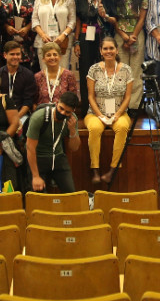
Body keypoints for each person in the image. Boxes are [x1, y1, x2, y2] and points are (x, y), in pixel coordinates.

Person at [85, 37, 136, 185]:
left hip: (119, 113)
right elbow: (90, 96)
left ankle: (113, 169)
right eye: (105, 49)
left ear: (117, 50)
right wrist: (100, 116)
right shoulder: (93, 69)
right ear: (101, 51)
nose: (109, 51)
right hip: (96, 112)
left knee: (122, 127)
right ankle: (95, 169)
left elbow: (127, 97)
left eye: (111, 48)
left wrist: (117, 115)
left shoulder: (126, 69)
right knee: (94, 128)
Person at [25, 91, 83, 193]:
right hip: (38, 157)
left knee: (72, 195)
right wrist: (35, 176)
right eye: (61, 108)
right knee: (39, 198)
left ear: (73, 111)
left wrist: (72, 130)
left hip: (58, 157)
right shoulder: (39, 117)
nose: (62, 113)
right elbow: (30, 148)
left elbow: (74, 148)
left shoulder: (72, 119)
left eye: (67, 112)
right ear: (56, 103)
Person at [76, 0, 117, 94]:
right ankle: (85, 108)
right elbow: (78, 21)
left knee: (104, 71)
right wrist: (76, 42)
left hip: (102, 38)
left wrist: (105, 16)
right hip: (85, 37)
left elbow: (115, 21)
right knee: (86, 72)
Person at [33, 0, 77, 71]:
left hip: (61, 42)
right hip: (44, 41)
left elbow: (72, 20)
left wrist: (63, 35)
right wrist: (42, 35)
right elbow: (34, 19)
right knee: (45, 74)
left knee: (62, 74)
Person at [0, 0, 38, 69]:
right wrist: (6, 27)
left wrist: (28, 27)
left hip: (27, 38)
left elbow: (37, 15)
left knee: (26, 71)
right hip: (8, 38)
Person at [0, 41, 39, 130]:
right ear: (5, 55)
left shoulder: (28, 75)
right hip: (0, 114)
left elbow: (28, 101)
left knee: (24, 129)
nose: (15, 57)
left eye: (18, 54)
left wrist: (16, 117)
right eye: (12, 54)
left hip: (21, 114)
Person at [112, 0, 148, 68]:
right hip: (120, 34)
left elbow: (142, 19)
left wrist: (133, 38)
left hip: (137, 35)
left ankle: (136, 85)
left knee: (136, 68)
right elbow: (114, 19)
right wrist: (124, 36)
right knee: (120, 67)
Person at [35, 41, 80, 107]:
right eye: (48, 55)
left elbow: (73, 100)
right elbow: (34, 101)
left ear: (60, 57)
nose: (52, 58)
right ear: (43, 59)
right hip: (43, 113)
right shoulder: (38, 77)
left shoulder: (69, 75)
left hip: (63, 113)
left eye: (55, 54)